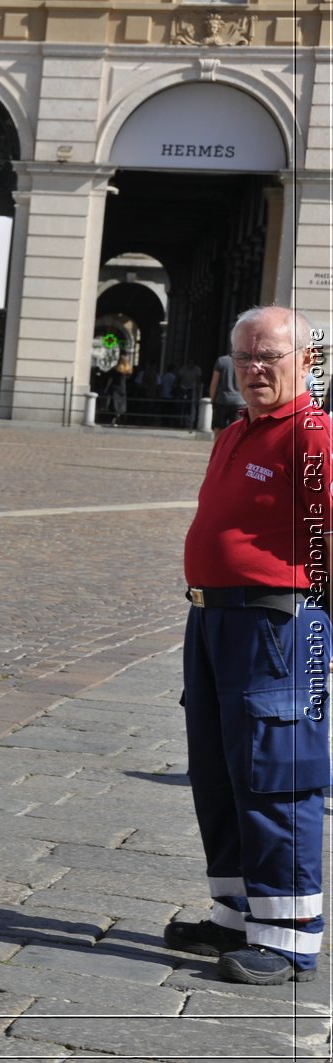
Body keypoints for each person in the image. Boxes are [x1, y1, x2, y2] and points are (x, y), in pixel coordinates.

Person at [169, 305, 329, 986]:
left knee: (277, 775)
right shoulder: (238, 431)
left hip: (275, 624)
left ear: (308, 363)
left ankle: (291, 936)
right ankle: (238, 916)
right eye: (245, 357)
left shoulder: (314, 435)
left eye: (271, 356)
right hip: (212, 619)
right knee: (220, 772)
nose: (255, 368)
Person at [210, 348, 243, 429]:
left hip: (222, 400)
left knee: (218, 429)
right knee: (236, 431)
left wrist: (212, 400)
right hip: (240, 401)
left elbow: (214, 383)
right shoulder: (245, 362)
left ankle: (218, 442)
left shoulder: (221, 361)